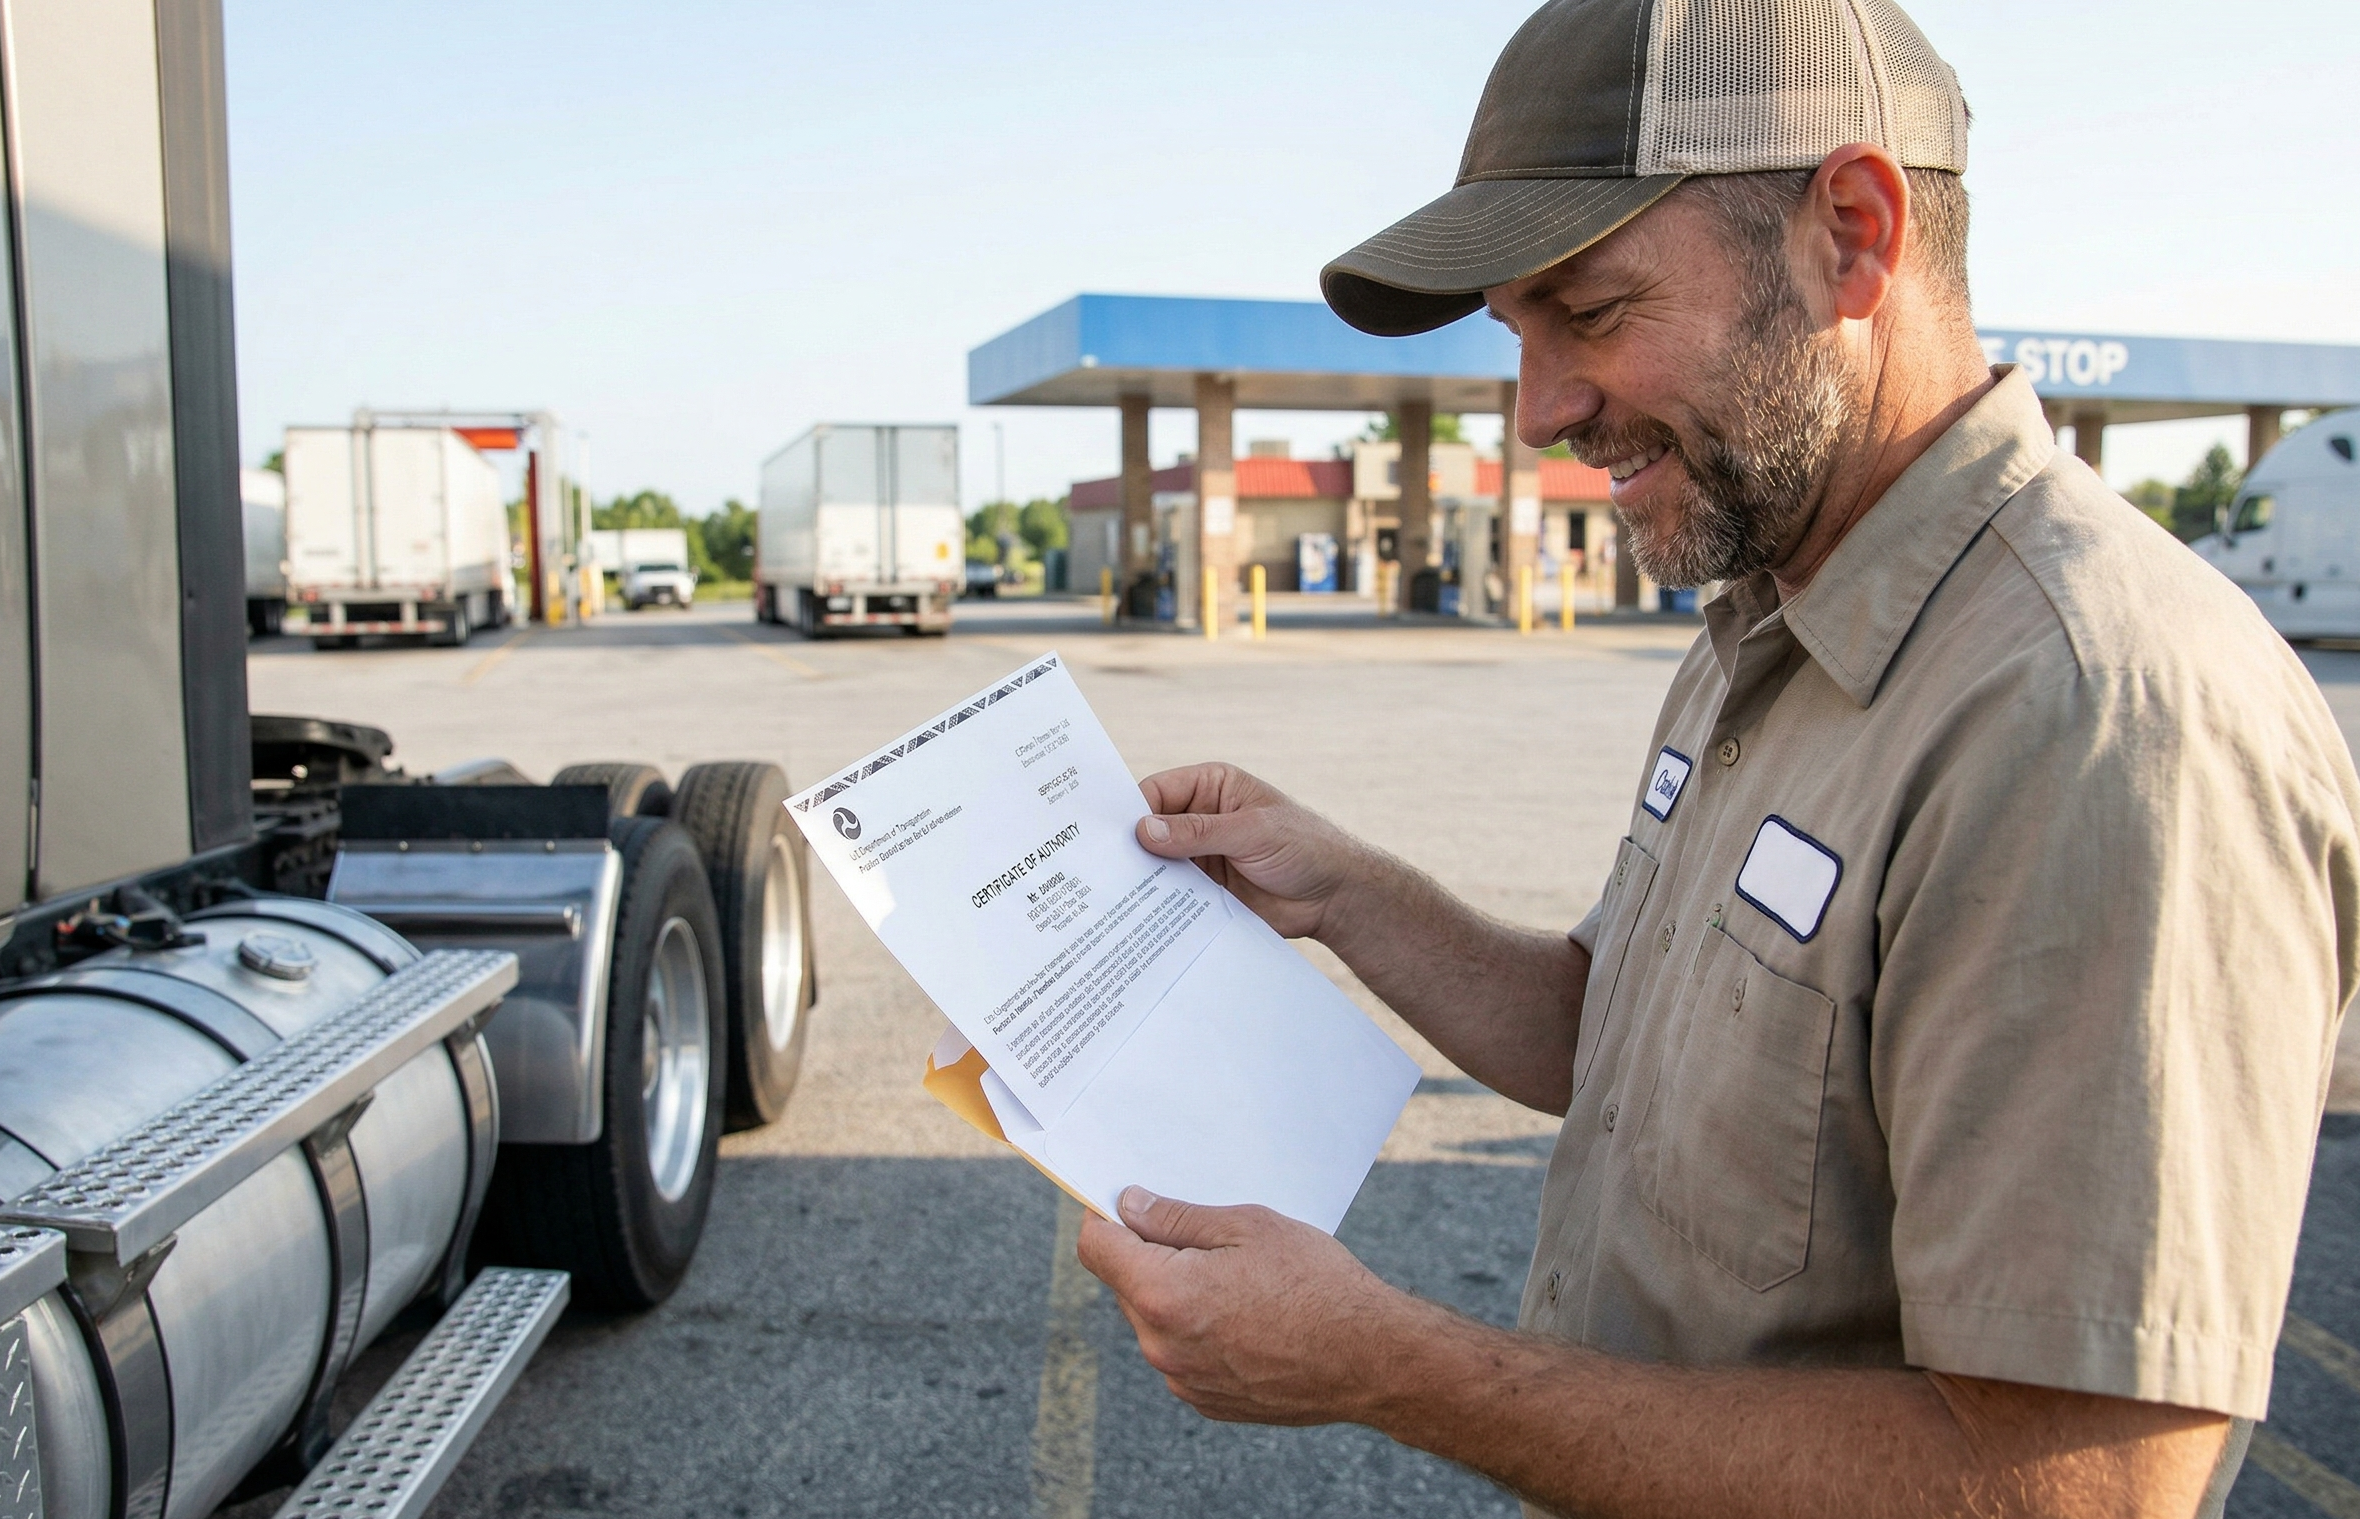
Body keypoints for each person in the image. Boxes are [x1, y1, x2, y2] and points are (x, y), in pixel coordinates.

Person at [1073, 2, 2360, 1515]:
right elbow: (1610, 1041)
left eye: (1595, 312)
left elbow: (2072, 1484)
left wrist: (1394, 1365)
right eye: (1519, 336)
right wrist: (1345, 889)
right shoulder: (1768, 608)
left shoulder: (2095, 713)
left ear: (1855, 235)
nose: (1540, 410)